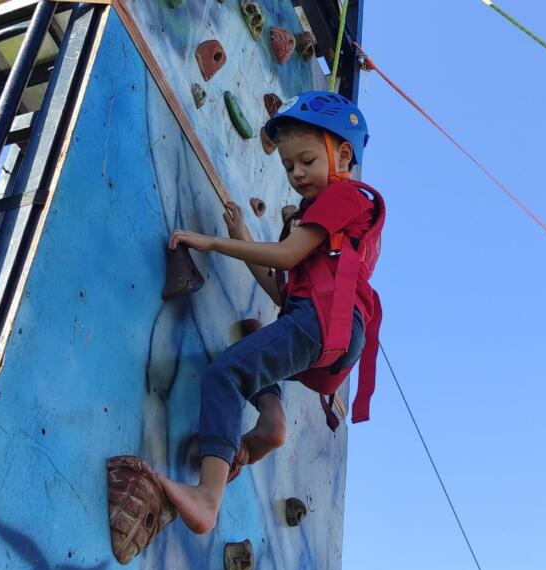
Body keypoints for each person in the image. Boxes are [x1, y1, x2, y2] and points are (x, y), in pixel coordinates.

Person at [154, 90, 385, 536]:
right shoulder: (327, 221)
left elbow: (284, 256)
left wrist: (213, 243)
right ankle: (272, 422)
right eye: (288, 166)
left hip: (320, 325)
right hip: (327, 331)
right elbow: (280, 288)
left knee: (224, 374)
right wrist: (241, 233)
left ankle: (207, 499)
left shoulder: (344, 197)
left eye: (306, 161)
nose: (296, 174)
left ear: (341, 154)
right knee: (255, 341)